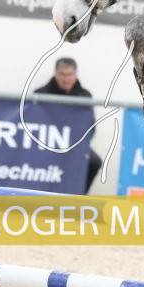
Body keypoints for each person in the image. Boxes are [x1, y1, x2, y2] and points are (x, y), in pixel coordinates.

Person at [35, 57, 103, 190]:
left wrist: (79, 145)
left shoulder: (84, 96)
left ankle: (78, 197)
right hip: (45, 145)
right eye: (62, 74)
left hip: (74, 145)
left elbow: (90, 127)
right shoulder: (40, 94)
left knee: (94, 162)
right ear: (55, 74)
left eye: (69, 75)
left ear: (75, 74)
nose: (66, 79)